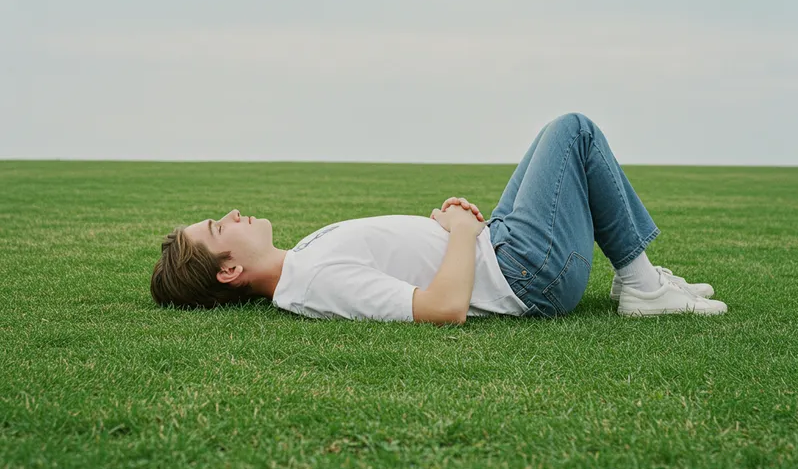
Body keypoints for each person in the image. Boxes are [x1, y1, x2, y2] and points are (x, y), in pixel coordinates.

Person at [151, 112, 728, 323]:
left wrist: (445, 221)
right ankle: (642, 285)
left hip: (498, 250)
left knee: (554, 142)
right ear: (229, 272)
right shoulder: (313, 282)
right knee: (572, 131)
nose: (229, 214)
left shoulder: (304, 258)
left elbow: (413, 263)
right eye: (218, 228)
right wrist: (459, 231)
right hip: (524, 272)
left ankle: (643, 279)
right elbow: (442, 309)